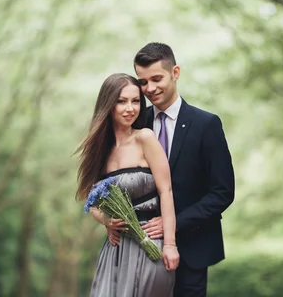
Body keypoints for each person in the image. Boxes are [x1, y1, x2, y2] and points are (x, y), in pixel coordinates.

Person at [107, 42, 235, 297]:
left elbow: (222, 192)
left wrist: (172, 224)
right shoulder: (134, 121)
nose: (150, 88)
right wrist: (109, 219)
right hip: (138, 249)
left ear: (175, 73)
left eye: (156, 78)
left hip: (192, 248)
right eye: (143, 82)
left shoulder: (206, 124)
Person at [76, 73, 180, 297]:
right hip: (116, 249)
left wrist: (170, 244)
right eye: (121, 101)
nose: (130, 108)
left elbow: (166, 191)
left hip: (150, 242)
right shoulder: (100, 151)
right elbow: (91, 200)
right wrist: (106, 220)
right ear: (108, 104)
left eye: (135, 101)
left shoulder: (145, 138)